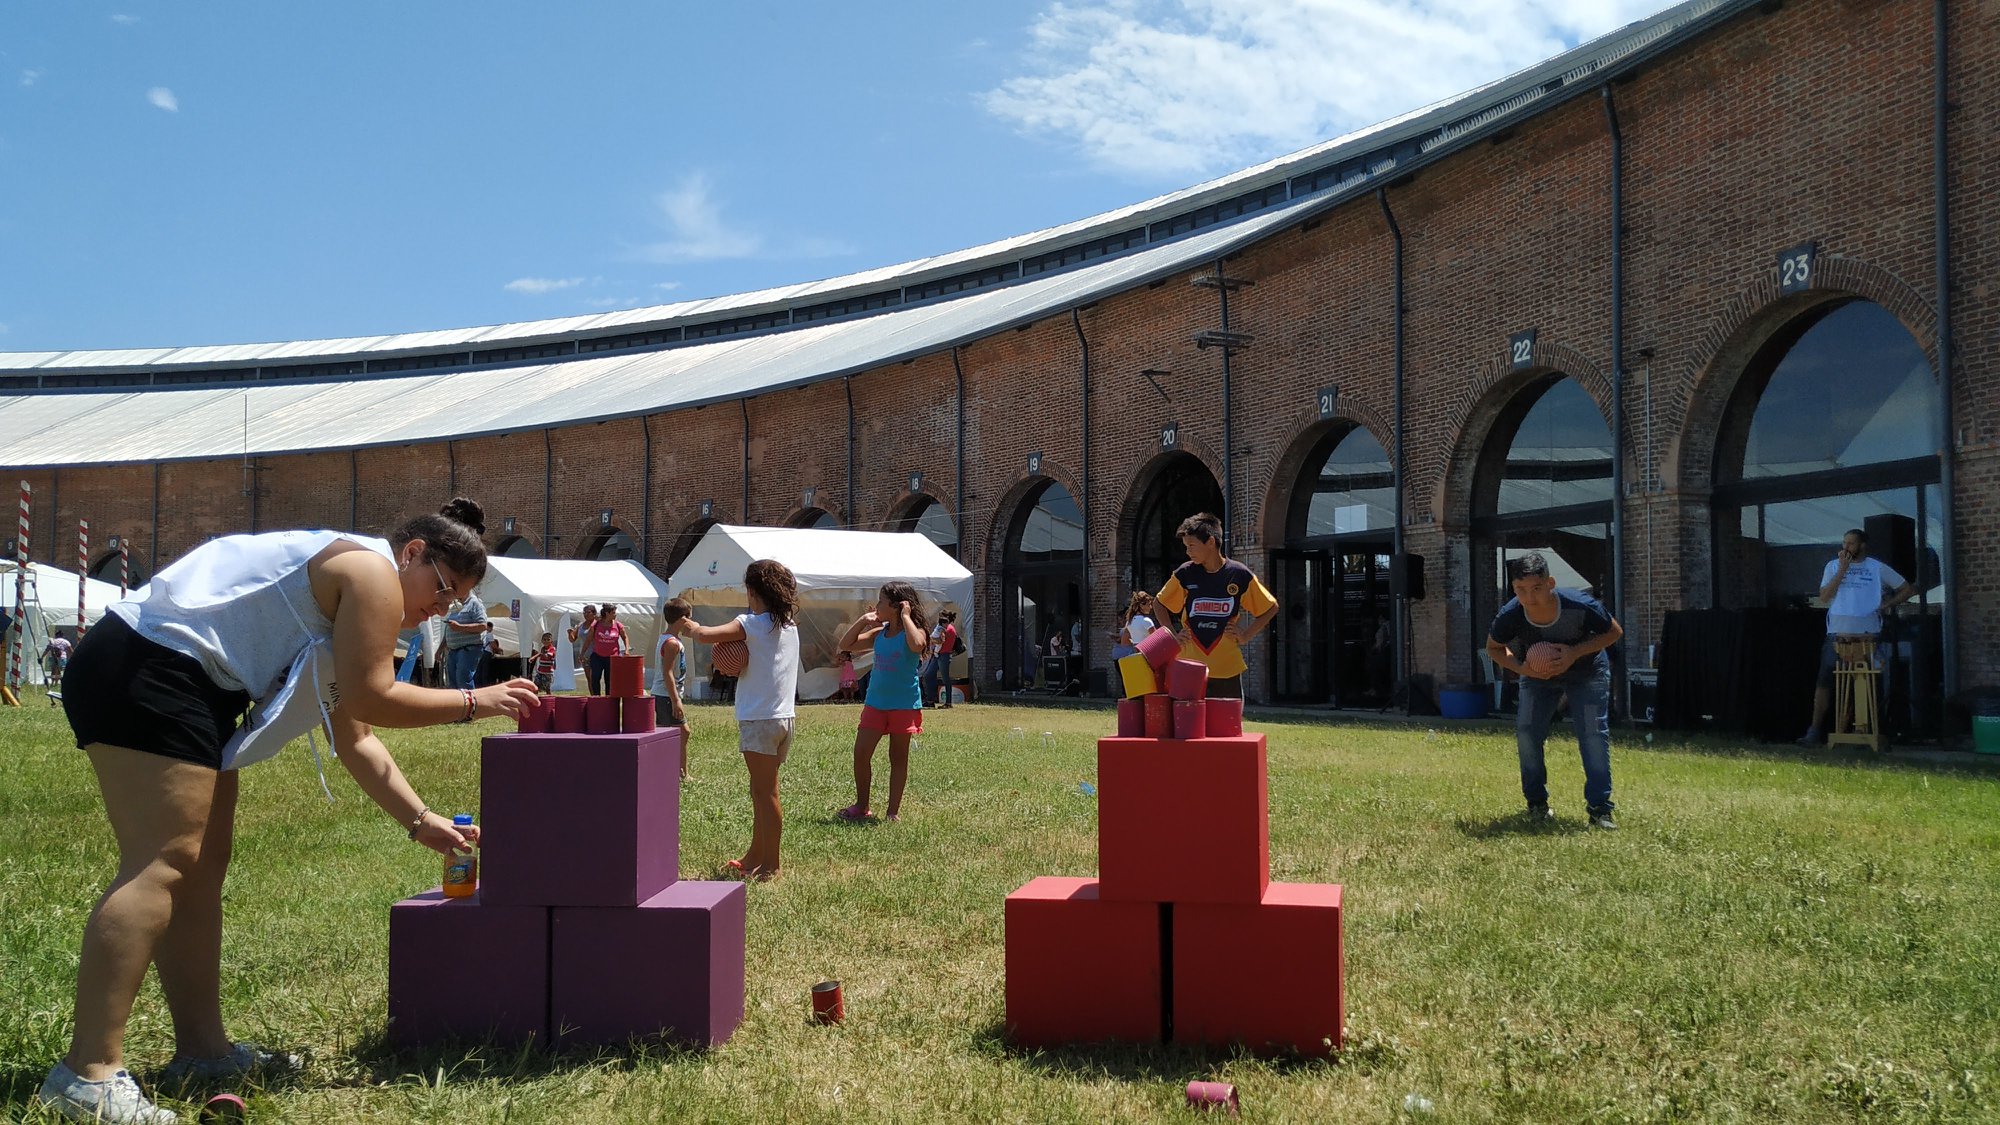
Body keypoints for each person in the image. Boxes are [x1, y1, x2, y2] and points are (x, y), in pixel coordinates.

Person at [36, 498, 539, 1125]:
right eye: (442, 589)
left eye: (455, 602)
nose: (441, 610)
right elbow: (374, 697)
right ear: (412, 553)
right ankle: (87, 1075)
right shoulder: (371, 572)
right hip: (150, 664)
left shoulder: (351, 589)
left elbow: (354, 737)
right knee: (162, 865)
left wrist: (420, 820)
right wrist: (474, 700)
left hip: (183, 677)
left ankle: (203, 1051)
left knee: (201, 870)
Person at [673, 560, 798, 881]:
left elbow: (704, 635)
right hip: (783, 719)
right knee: (760, 791)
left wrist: (686, 624)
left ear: (752, 591)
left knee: (766, 793)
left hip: (759, 719)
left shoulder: (751, 623)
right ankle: (755, 855)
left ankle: (771, 865)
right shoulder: (789, 626)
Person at [1484, 551, 1624, 829]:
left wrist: (1574, 653)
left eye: (1536, 588)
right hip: (1538, 677)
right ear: (1513, 588)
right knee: (1527, 734)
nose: (1529, 597)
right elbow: (1494, 648)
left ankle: (1600, 810)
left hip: (1587, 672)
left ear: (1550, 583)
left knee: (1593, 735)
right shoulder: (1511, 615)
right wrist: (1523, 669)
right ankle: (1537, 804)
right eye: (1521, 590)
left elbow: (1614, 632)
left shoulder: (1580, 605)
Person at [1798, 527, 1915, 746]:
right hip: (1837, 634)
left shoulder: (1876, 567)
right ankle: (1814, 730)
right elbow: (1824, 596)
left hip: (1867, 635)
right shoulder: (1833, 566)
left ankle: (1868, 729)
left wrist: (1887, 605)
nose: (1846, 547)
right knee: (1825, 681)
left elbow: (1907, 589)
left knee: (1867, 682)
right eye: (1844, 543)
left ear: (1862, 545)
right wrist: (1842, 571)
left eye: (1851, 543)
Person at [1153, 513, 1278, 700]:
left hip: (1227, 669)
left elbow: (1270, 607)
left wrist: (1245, 635)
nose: (1188, 552)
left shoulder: (1239, 574)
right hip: (1188, 667)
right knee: (1187, 719)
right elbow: (1159, 603)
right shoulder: (1185, 573)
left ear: (1210, 542)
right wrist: (1172, 636)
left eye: (1191, 546)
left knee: (1227, 720)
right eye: (1186, 547)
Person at [836, 582, 928, 823]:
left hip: (904, 705)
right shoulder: (879, 634)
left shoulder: (915, 631)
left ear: (896, 606)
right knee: (861, 753)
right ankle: (862, 805)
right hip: (875, 703)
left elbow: (917, 645)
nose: (877, 605)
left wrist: (906, 617)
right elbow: (845, 645)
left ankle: (892, 812)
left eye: (881, 601)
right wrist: (862, 620)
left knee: (898, 758)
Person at [652, 599, 691, 780]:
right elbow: (667, 672)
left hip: (664, 694)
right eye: (689, 618)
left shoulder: (669, 639)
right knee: (681, 732)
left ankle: (673, 772)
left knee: (672, 732)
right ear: (682, 619)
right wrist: (676, 700)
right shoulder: (672, 643)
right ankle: (680, 773)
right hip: (665, 695)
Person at [440, 578, 488, 691]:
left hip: (468, 649)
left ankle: (470, 701)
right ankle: (456, 702)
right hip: (453, 650)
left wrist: (460, 627)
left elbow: (483, 626)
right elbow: (449, 629)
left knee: (462, 679)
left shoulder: (475, 604)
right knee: (453, 682)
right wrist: (440, 649)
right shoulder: (455, 606)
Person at [583, 603, 627, 695]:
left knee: (609, 681)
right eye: (613, 613)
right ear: (607, 613)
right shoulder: (596, 625)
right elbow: (588, 640)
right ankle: (596, 698)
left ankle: (608, 700)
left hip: (612, 657)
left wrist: (626, 650)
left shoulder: (618, 625)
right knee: (595, 678)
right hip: (597, 656)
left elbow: (625, 637)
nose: (615, 615)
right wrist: (582, 653)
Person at [922, 609, 959, 709]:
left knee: (945, 678)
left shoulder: (947, 629)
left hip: (944, 655)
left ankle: (948, 702)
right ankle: (930, 701)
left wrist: (930, 639)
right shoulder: (947, 628)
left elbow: (940, 641)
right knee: (928, 675)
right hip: (938, 655)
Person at [1109, 592, 1157, 662]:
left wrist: (1135, 643)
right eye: (1149, 604)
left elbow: (1124, 642)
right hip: (1149, 656)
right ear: (1141, 605)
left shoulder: (1129, 622)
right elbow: (1157, 640)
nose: (1151, 607)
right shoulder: (1147, 621)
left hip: (1137, 656)